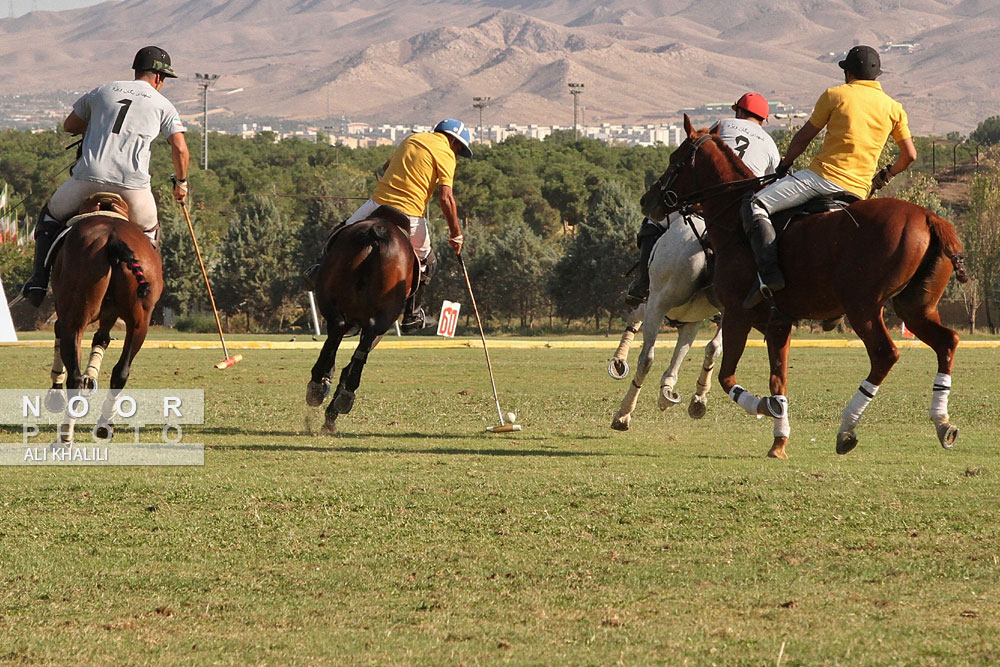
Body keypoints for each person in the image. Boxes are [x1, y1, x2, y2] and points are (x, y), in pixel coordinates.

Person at [740, 45, 916, 307]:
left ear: (848, 74)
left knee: (755, 205)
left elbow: (803, 137)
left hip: (820, 178)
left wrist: (784, 165)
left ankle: (768, 275)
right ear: (877, 75)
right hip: (859, 190)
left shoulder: (835, 95)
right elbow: (910, 156)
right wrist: (884, 176)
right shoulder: (894, 108)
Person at [20, 45, 190, 307]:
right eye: (164, 78)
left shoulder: (104, 90)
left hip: (88, 179)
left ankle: (39, 280)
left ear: (137, 70)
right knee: (149, 234)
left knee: (50, 216)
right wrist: (181, 183)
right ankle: (147, 291)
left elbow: (70, 126)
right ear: (158, 77)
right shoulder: (163, 105)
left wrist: (98, 125)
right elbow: (179, 148)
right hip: (133, 188)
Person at [308, 119, 471, 333]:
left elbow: (384, 169)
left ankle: (318, 270)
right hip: (411, 213)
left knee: (341, 232)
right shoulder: (447, 154)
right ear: (453, 140)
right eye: (459, 148)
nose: (457, 153)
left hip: (378, 202)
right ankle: (412, 315)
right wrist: (456, 234)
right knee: (428, 261)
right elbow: (446, 197)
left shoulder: (412, 139)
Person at [626, 93, 780, 307]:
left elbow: (701, 150)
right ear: (763, 119)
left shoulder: (724, 124)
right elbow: (770, 183)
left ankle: (642, 284)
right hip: (743, 209)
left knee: (652, 223)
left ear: (739, 111)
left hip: (710, 201)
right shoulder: (771, 144)